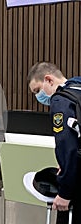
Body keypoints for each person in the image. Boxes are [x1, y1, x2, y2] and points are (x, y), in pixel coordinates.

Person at [27, 61, 81, 224]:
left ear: (49, 80)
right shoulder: (78, 88)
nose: (38, 97)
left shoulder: (61, 101)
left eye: (37, 90)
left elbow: (68, 147)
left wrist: (64, 193)